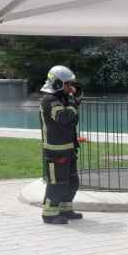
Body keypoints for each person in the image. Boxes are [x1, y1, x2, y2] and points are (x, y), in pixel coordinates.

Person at [39, 65, 84, 225]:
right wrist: (73, 102)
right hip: (55, 150)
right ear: (57, 83)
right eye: (67, 84)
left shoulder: (62, 99)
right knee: (57, 184)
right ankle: (49, 214)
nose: (70, 88)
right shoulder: (49, 100)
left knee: (72, 182)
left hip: (68, 148)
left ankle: (65, 209)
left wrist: (73, 102)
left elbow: (73, 118)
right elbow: (64, 117)